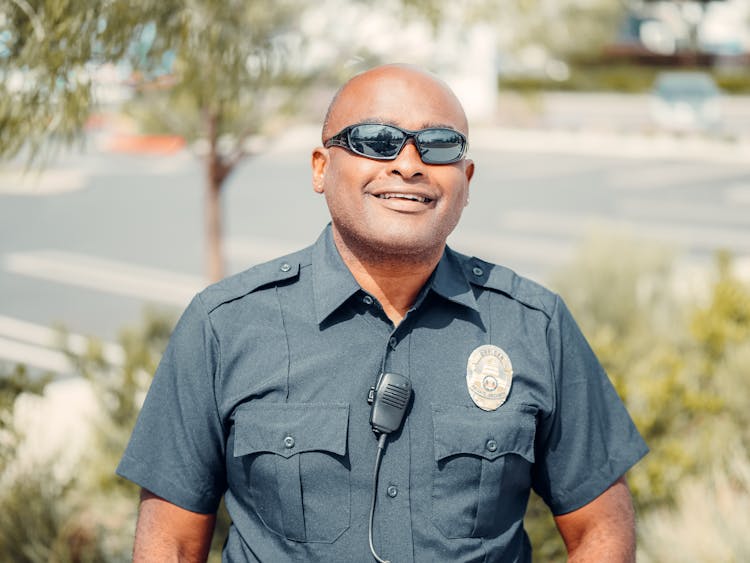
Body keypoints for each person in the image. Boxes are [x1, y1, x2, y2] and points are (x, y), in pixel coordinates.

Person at [117, 64, 648, 562]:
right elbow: (173, 545)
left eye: (439, 145)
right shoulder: (224, 326)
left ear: (466, 180)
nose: (410, 164)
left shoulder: (534, 325)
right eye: (376, 141)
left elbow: (599, 526)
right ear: (321, 168)